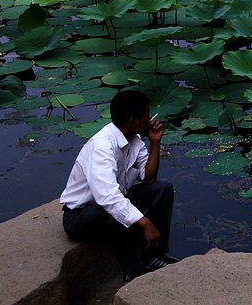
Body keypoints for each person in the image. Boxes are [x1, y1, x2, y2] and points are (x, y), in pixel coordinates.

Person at [60, 89, 178, 282]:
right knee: (109, 210)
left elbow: (149, 178)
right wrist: (145, 223)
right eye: (146, 114)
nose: (150, 119)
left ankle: (154, 255)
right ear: (133, 121)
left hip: (114, 201)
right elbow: (107, 198)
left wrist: (155, 142)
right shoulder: (102, 147)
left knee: (162, 189)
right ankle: (132, 270)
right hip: (81, 216)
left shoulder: (134, 139)